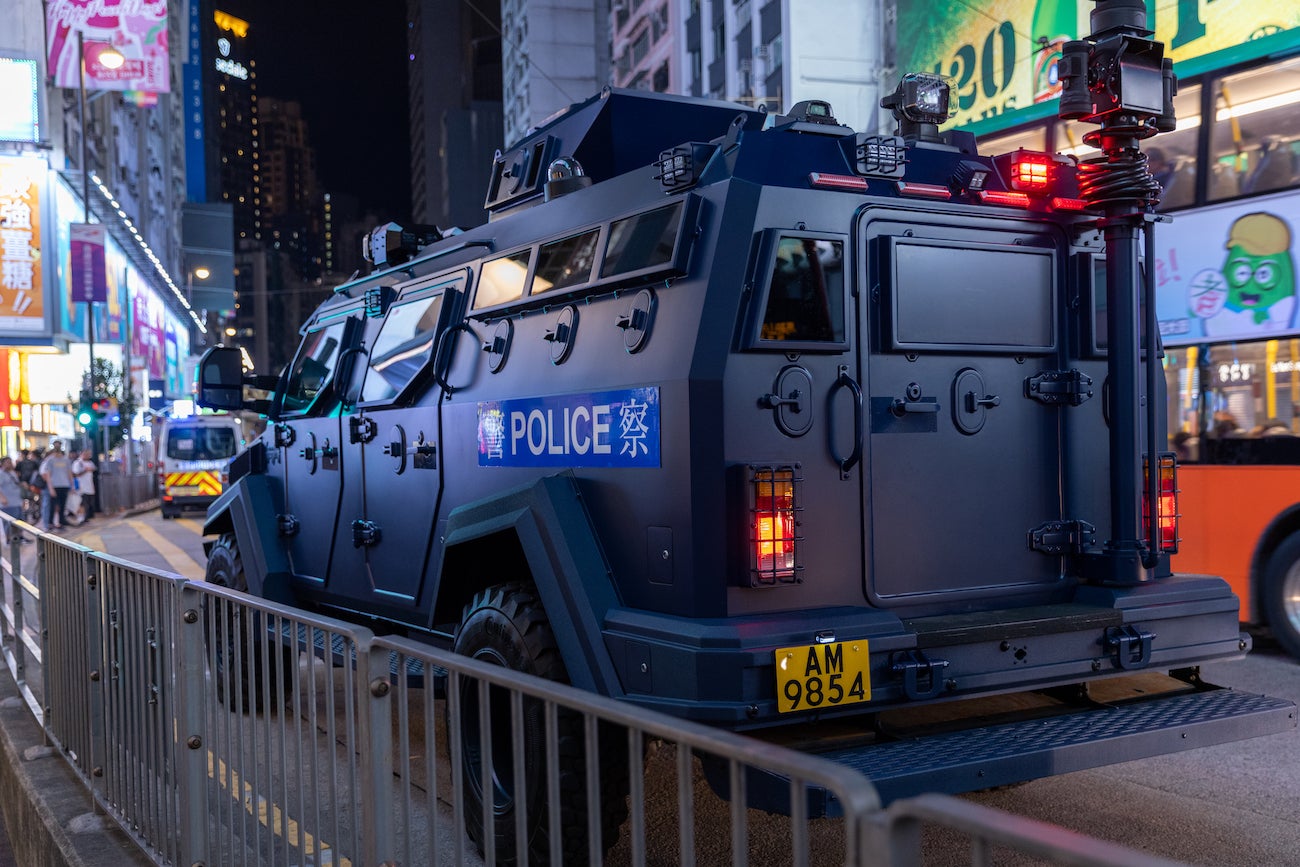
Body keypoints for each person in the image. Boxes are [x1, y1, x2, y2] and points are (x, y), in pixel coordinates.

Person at [39, 441, 73, 531]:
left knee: (62, 506)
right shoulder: (50, 460)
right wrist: (50, 488)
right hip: (54, 486)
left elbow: (69, 473)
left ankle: (61, 522)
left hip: (64, 485)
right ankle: (50, 523)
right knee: (52, 506)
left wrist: (72, 485)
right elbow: (47, 475)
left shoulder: (66, 460)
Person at [0, 456, 26, 543]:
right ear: (2, 464)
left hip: (17, 501)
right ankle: (9, 539)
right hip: (7, 503)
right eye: (8, 462)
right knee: (8, 523)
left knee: (20, 521)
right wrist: (2, 498)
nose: (10, 464)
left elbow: (16, 484)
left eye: (11, 462)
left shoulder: (12, 473)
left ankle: (20, 537)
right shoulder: (1, 474)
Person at [72, 449, 98, 521]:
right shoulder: (78, 463)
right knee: (83, 502)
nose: (88, 456)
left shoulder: (90, 462)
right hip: (81, 486)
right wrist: (85, 470)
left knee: (89, 502)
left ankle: (88, 516)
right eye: (86, 454)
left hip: (89, 485)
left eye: (89, 454)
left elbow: (94, 469)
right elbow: (76, 474)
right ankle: (82, 517)